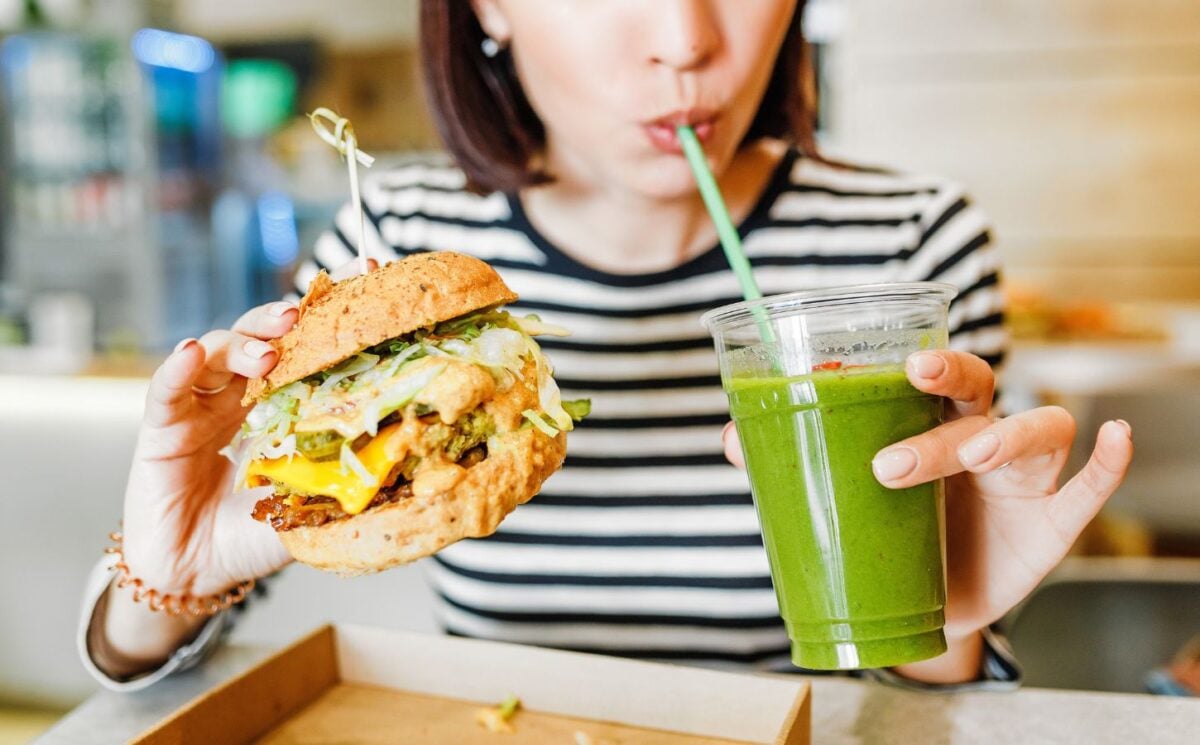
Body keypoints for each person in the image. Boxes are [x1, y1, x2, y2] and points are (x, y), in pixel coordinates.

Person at [79, 0, 1133, 691]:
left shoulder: (911, 245)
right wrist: (166, 577)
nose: (685, 37)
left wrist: (941, 618)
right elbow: (143, 670)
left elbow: (927, 685)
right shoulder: (393, 250)